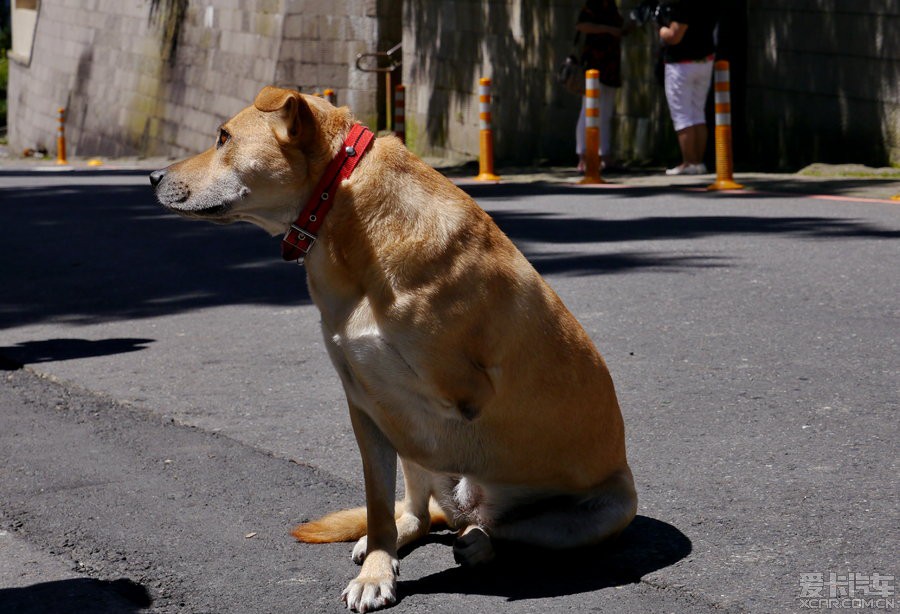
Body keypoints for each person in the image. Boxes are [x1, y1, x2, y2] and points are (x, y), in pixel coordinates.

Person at [658, 0, 718, 176]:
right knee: (697, 113)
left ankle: (689, 162)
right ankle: (698, 163)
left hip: (681, 64)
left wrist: (661, 29)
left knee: (682, 115)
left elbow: (674, 36)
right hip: (704, 60)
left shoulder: (681, 4)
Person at [574, 0, 627, 171]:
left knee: (606, 111)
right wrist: (608, 29)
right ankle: (583, 156)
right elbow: (581, 25)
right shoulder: (594, 4)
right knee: (588, 109)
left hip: (610, 63)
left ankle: (604, 155)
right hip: (594, 62)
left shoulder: (611, 6)